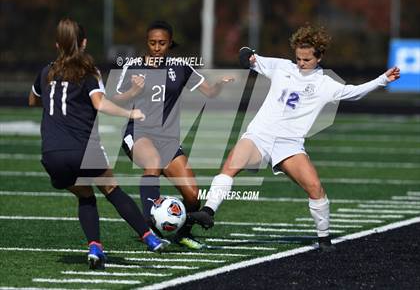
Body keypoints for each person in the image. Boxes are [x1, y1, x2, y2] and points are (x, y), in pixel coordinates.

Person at [189, 25, 400, 251]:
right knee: (229, 168)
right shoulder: (282, 66)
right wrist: (246, 54)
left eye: (306, 59)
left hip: (288, 145)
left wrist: (382, 80)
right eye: (298, 58)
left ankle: (324, 239)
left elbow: (354, 93)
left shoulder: (325, 84)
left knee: (315, 188)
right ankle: (208, 212)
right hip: (259, 135)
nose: (301, 63)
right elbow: (250, 57)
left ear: (319, 57)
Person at [28, 18, 169, 270]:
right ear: (83, 43)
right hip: (83, 149)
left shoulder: (45, 72)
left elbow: (32, 100)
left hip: (52, 153)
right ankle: (150, 238)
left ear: (57, 44)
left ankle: (95, 247)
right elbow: (100, 104)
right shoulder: (88, 71)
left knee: (84, 195)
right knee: (112, 189)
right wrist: (131, 113)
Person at [113, 20, 234, 249]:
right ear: (147, 43)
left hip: (167, 140)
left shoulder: (180, 66)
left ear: (170, 43)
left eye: (162, 43)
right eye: (152, 43)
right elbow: (115, 98)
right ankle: (148, 228)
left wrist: (218, 84)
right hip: (138, 133)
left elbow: (209, 92)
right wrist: (133, 91)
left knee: (192, 195)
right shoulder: (134, 65)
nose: (156, 47)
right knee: (153, 164)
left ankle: (182, 234)